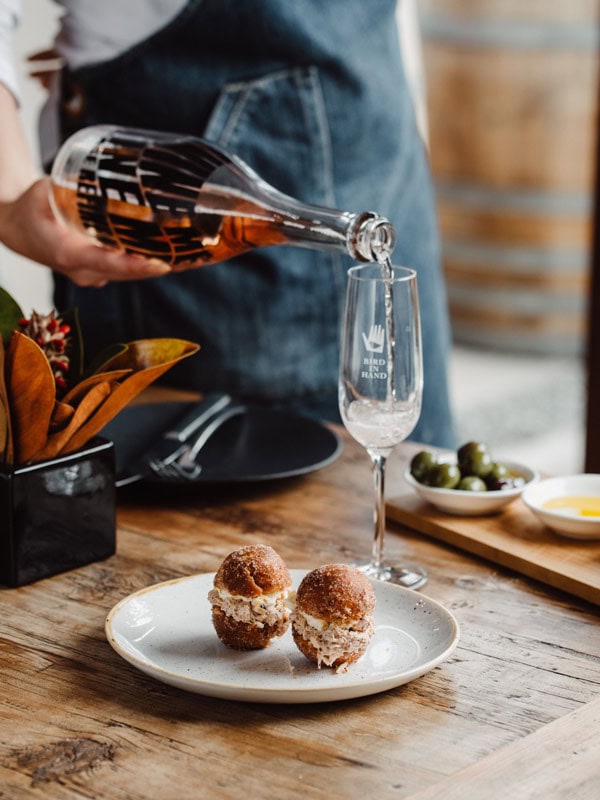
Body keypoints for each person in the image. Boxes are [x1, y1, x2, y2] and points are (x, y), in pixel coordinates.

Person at [0, 0, 456, 447]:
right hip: (186, 235)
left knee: (415, 489)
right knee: (224, 495)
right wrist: (9, 195)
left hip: (382, 156)